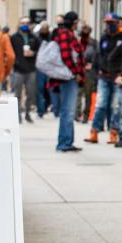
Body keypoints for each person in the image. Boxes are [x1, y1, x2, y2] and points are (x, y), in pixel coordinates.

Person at [86, 13, 122, 144]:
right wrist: (96, 72)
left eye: (112, 23)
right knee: (100, 105)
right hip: (104, 76)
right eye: (107, 23)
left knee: (116, 106)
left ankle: (114, 133)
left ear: (118, 23)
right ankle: (94, 132)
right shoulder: (104, 37)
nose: (109, 25)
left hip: (117, 77)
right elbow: (98, 56)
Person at [49, 11, 85, 152]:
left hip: (67, 77)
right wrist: (75, 72)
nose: (78, 24)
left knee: (68, 111)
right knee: (67, 111)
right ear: (73, 22)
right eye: (77, 22)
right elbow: (66, 55)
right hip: (67, 78)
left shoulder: (68, 33)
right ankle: (64, 143)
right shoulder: (65, 33)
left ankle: (68, 141)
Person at [10, 16, 40, 123]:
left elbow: (39, 51)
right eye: (23, 23)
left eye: (27, 23)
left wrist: (33, 53)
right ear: (19, 24)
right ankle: (17, 115)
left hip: (31, 69)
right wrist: (15, 62)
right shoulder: (14, 37)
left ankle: (27, 113)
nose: (25, 25)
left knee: (30, 93)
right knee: (17, 94)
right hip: (18, 69)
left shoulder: (34, 38)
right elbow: (10, 53)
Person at [77, 24, 98, 123]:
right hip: (78, 71)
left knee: (88, 94)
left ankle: (86, 115)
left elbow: (98, 56)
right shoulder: (77, 42)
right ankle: (77, 114)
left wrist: (92, 65)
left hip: (89, 72)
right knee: (78, 93)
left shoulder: (94, 43)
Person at [36, 21, 53, 117]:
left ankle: (53, 108)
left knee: (50, 89)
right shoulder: (37, 38)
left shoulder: (51, 38)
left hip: (49, 67)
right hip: (40, 67)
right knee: (40, 89)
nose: (44, 30)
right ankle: (41, 110)